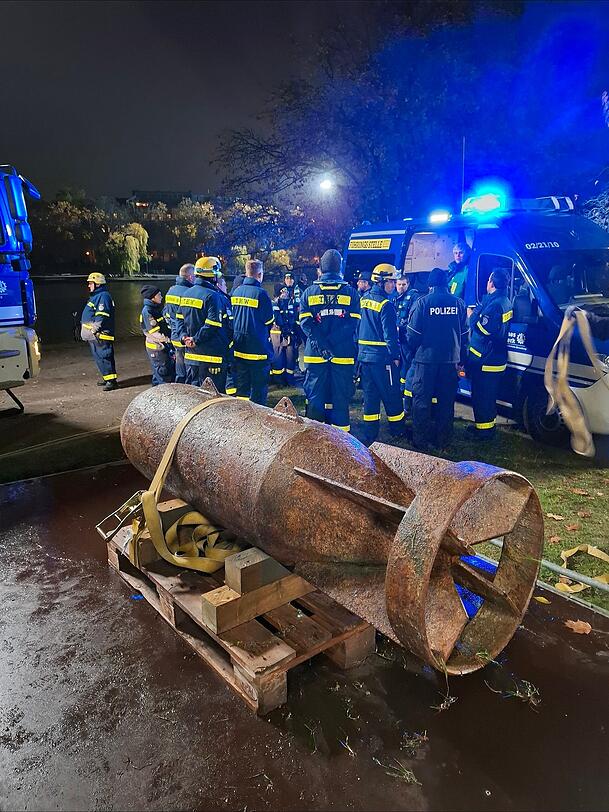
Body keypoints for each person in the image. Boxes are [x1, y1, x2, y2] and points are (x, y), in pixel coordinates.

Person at [407, 267, 468, 451]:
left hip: (426, 360)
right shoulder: (458, 303)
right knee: (446, 402)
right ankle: (444, 441)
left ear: (430, 284)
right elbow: (465, 334)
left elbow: (413, 335)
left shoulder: (422, 303)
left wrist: (412, 353)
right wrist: (461, 358)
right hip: (450, 361)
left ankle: (421, 441)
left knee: (422, 401)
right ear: (446, 283)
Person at [299, 249, 360, 432]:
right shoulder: (351, 293)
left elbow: (306, 323)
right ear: (340, 267)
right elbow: (352, 324)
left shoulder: (309, 293)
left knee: (315, 398)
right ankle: (342, 443)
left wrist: (323, 345)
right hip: (342, 356)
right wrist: (332, 343)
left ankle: (315, 439)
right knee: (340, 399)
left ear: (321, 268)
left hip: (316, 356)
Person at [357, 263, 405, 444]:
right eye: (391, 282)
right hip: (383, 359)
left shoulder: (362, 300)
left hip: (365, 358)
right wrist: (396, 356)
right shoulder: (386, 305)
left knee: (370, 396)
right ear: (381, 281)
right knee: (392, 395)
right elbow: (391, 335)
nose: (393, 285)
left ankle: (370, 433)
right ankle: (398, 430)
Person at [466, 267, 513, 440]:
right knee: (488, 396)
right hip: (494, 357)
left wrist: (472, 315)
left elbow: (482, 330)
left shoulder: (495, 305)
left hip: (486, 359)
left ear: (491, 283)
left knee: (482, 397)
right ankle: (486, 428)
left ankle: (483, 433)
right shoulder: (503, 300)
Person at [179, 256, 231, 391]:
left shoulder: (186, 294)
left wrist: (185, 338)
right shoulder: (213, 296)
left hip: (191, 357)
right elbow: (212, 324)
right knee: (214, 399)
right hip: (212, 358)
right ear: (212, 276)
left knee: (194, 396)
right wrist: (196, 339)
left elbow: (179, 320)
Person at [230, 259, 274, 404]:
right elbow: (268, 321)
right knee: (259, 389)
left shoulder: (236, 292)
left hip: (239, 348)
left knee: (242, 388)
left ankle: (241, 416)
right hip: (258, 350)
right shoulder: (261, 294)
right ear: (260, 274)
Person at [81, 272, 118, 391]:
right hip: (96, 335)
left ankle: (111, 381)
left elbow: (102, 315)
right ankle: (107, 378)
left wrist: (94, 329)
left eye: (90, 283)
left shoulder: (103, 296)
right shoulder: (97, 296)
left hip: (100, 334)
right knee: (99, 357)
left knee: (104, 356)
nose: (88, 286)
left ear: (97, 284)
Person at [395, 273, 422, 415]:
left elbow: (413, 318)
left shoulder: (413, 297)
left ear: (408, 284)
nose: (401, 287)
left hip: (407, 339)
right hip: (397, 339)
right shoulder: (394, 296)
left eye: (403, 284)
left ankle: (407, 403)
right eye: (399, 284)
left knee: (407, 369)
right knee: (401, 370)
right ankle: (401, 395)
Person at [164, 263, 194, 384]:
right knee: (189, 366)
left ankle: (179, 385)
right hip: (185, 335)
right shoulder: (189, 292)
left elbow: (166, 312)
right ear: (190, 277)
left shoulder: (170, 291)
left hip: (175, 334)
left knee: (179, 363)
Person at [140, 285, 174, 386]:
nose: (161, 297)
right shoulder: (148, 311)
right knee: (163, 373)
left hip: (159, 346)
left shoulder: (155, 308)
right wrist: (170, 340)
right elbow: (155, 333)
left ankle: (155, 392)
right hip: (157, 348)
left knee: (158, 374)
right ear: (152, 297)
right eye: (159, 295)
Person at [270, 284, 299, 385]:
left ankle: (289, 380)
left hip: (289, 335)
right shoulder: (273, 304)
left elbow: (293, 317)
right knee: (277, 358)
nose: (286, 293)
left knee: (290, 357)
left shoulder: (290, 302)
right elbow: (277, 319)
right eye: (283, 291)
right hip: (277, 336)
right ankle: (278, 381)